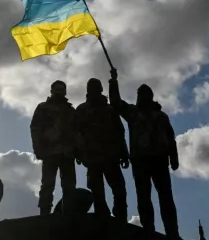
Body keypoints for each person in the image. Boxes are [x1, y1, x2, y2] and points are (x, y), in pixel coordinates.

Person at [109, 68, 180, 238]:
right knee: (144, 198)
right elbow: (116, 103)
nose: (142, 96)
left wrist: (174, 157)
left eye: (145, 93)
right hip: (140, 161)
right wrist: (113, 81)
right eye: (140, 94)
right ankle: (149, 229)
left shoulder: (161, 116)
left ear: (150, 96)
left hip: (159, 160)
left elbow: (170, 138)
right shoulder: (133, 112)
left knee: (165, 198)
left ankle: (172, 232)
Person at [75, 77, 129, 220]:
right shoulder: (81, 109)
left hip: (111, 156)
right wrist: (79, 153)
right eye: (91, 87)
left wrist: (124, 152)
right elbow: (76, 132)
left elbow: (119, 132)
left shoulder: (110, 110)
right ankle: (102, 216)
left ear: (100, 89)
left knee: (119, 190)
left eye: (96, 87)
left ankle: (120, 217)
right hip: (92, 157)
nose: (94, 90)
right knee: (97, 191)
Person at [30, 80, 76, 215]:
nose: (59, 91)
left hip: (68, 153)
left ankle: (68, 214)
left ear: (65, 91)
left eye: (62, 89)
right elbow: (35, 128)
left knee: (69, 186)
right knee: (47, 184)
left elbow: (77, 132)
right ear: (51, 91)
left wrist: (78, 151)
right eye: (57, 89)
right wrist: (38, 149)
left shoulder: (70, 111)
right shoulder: (43, 108)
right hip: (49, 152)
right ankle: (44, 213)